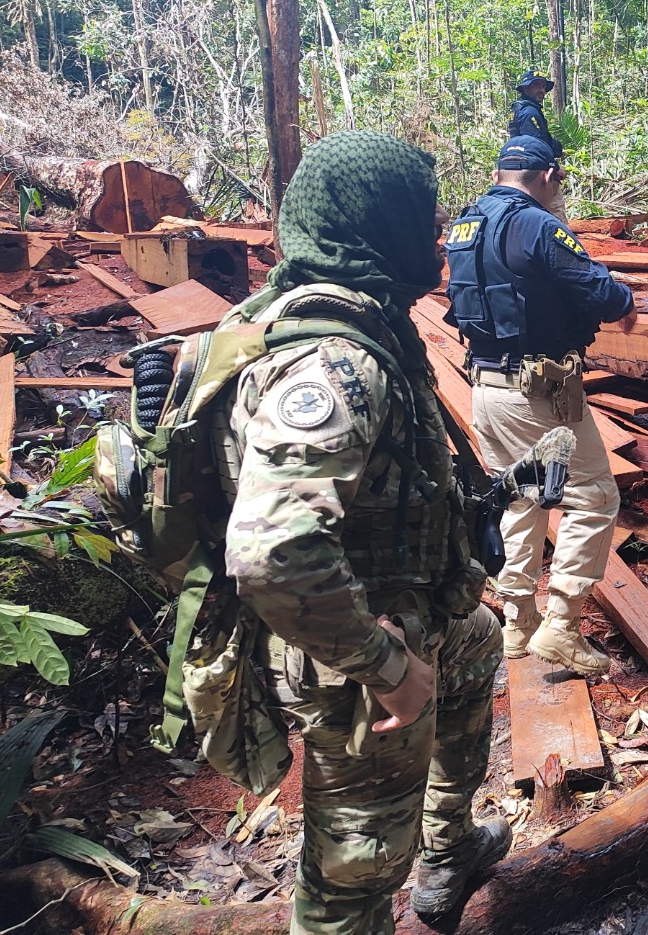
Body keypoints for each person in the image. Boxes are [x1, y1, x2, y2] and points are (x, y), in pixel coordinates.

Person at [215, 131, 510, 933]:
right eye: (424, 212)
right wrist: (386, 668)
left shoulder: (372, 324)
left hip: (416, 613)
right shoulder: (335, 363)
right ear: (376, 224)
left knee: (479, 640)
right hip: (356, 655)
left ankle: (448, 853)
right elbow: (272, 552)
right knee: (353, 879)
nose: (440, 229)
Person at [444, 135, 635, 676]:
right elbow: (601, 292)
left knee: (520, 497)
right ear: (548, 176)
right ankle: (562, 626)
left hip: (485, 387)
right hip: (537, 392)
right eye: (561, 182)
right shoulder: (536, 224)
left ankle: (516, 620)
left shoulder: (466, 224)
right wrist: (625, 303)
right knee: (593, 496)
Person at [507, 68, 564, 159]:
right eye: (536, 85)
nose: (541, 90)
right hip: (529, 161)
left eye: (543, 86)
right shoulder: (529, 112)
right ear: (525, 88)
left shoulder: (519, 108)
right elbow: (534, 146)